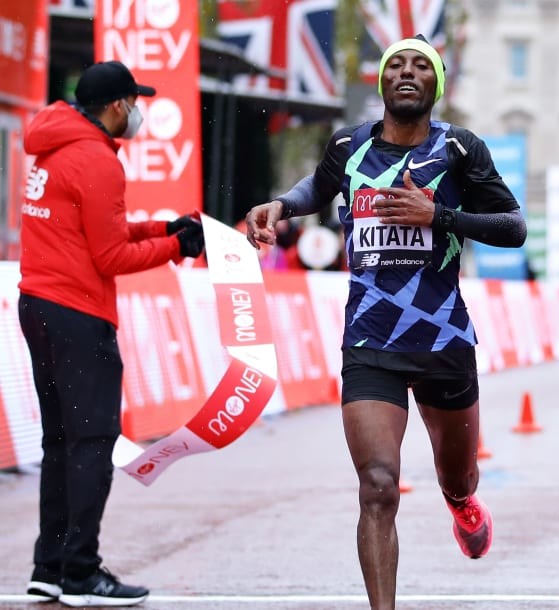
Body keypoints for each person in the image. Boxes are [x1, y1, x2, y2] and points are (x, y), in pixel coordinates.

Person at [244, 35, 526, 610]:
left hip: (443, 339)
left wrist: (439, 215)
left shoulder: (460, 149)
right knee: (377, 487)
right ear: (382, 81)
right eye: (396, 64)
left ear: (435, 84)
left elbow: (513, 226)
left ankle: (461, 504)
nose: (407, 72)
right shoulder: (349, 145)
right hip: (371, 341)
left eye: (421, 66)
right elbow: (319, 186)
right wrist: (282, 205)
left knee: (458, 477)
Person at [18, 61, 205, 606]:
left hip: (39, 306)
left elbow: (102, 230)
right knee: (93, 442)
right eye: (135, 103)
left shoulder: (55, 144)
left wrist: (164, 228)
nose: (138, 113)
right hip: (78, 313)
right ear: (119, 106)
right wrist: (177, 247)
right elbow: (111, 256)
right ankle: (80, 572)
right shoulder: (97, 158)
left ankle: (50, 567)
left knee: (60, 442)